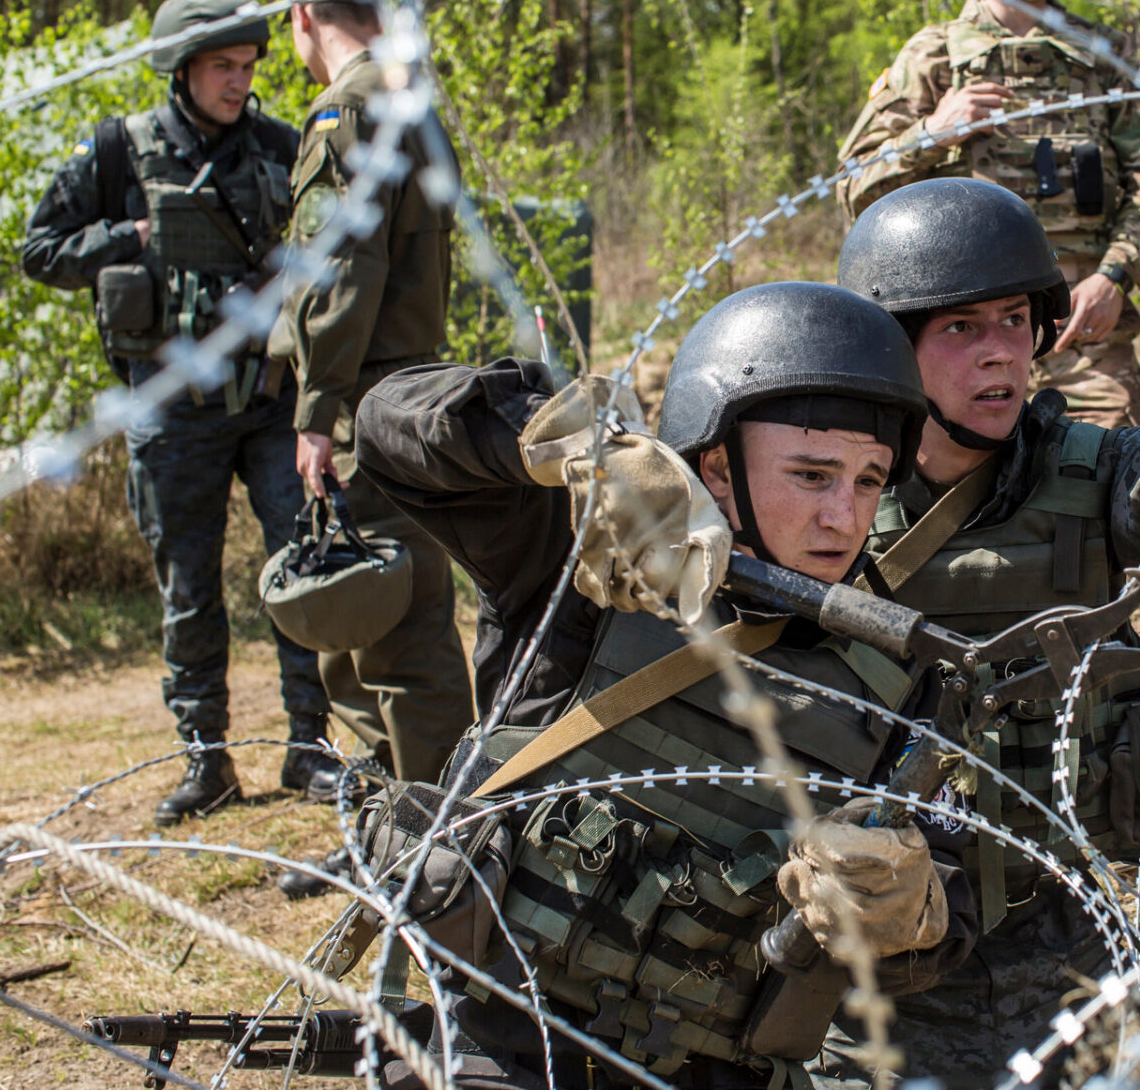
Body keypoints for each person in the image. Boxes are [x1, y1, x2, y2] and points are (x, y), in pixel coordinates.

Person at [354, 282, 977, 1089]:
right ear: (717, 469)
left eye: (867, 480)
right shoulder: (585, 568)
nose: (842, 517)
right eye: (813, 474)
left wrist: (912, 914)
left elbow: (946, 918)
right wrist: (576, 446)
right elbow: (384, 422)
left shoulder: (893, 684)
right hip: (493, 1047)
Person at [813, 177, 1140, 1088]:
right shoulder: (817, 494)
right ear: (890, 341)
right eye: (961, 328)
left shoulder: (1084, 471)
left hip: (1062, 933)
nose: (999, 352)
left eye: (1013, 320)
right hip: (865, 970)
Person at [832, 0, 1140, 673]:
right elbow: (854, 191)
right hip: (955, 342)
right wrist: (932, 130)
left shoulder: (1102, 61)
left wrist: (1114, 274)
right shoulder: (933, 58)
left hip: (1084, 338)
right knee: (938, 526)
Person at [22, 0, 332, 827]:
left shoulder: (280, 144)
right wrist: (131, 238)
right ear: (181, 69)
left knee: (304, 568)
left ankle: (313, 746)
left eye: (247, 66)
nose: (239, 82)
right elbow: (39, 250)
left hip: (270, 404)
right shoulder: (119, 153)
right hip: (172, 413)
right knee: (187, 587)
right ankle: (207, 759)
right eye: (222, 68)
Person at [272, 0, 472, 898]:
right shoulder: (416, 104)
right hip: (415, 391)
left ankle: (428, 846)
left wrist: (316, 412)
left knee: (383, 638)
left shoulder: (346, 109)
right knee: (401, 625)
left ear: (305, 18)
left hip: (365, 402)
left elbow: (338, 273)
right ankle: (403, 828)